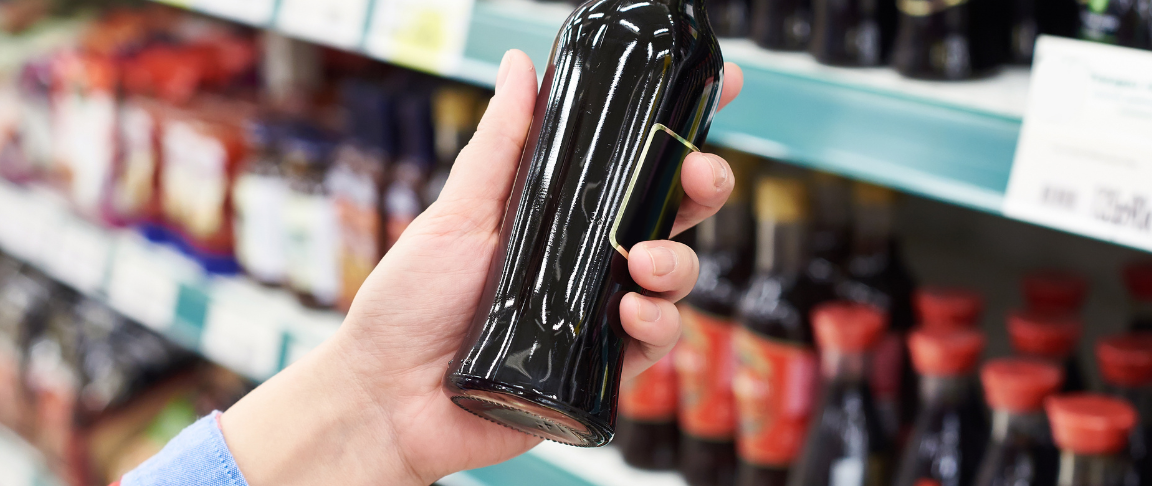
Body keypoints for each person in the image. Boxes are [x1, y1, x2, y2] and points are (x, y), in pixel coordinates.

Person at [117, 49, 747, 486]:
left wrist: (376, 408)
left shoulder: (687, 49)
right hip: (473, 359)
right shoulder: (608, 21)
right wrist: (374, 400)